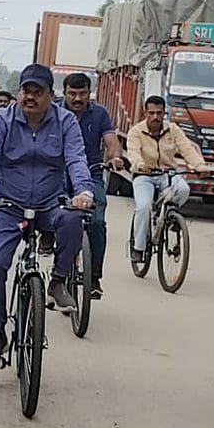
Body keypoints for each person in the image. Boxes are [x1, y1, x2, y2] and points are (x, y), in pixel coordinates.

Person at [0, 64, 93, 372]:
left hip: (49, 204)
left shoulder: (65, 122)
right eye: (27, 91)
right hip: (7, 205)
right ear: (19, 92)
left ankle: (58, 281)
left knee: (72, 220)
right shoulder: (2, 119)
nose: (31, 97)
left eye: (39, 92)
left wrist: (84, 192)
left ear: (51, 96)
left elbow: (77, 159)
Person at [61, 72, 124, 297]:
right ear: (64, 93)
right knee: (56, 219)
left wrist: (115, 156)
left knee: (97, 222)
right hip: (59, 176)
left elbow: (111, 141)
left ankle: (94, 276)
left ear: (90, 93)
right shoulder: (54, 113)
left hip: (92, 175)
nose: (77, 99)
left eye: (82, 94)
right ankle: (58, 277)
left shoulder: (100, 114)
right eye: (72, 94)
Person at [126, 95, 206, 262]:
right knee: (143, 207)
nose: (155, 117)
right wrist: (141, 165)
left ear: (164, 113)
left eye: (159, 113)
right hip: (144, 176)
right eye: (151, 113)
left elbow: (187, 149)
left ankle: (170, 216)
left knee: (184, 189)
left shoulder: (173, 129)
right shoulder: (136, 131)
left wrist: (200, 166)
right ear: (145, 113)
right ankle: (138, 248)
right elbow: (133, 153)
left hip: (167, 174)